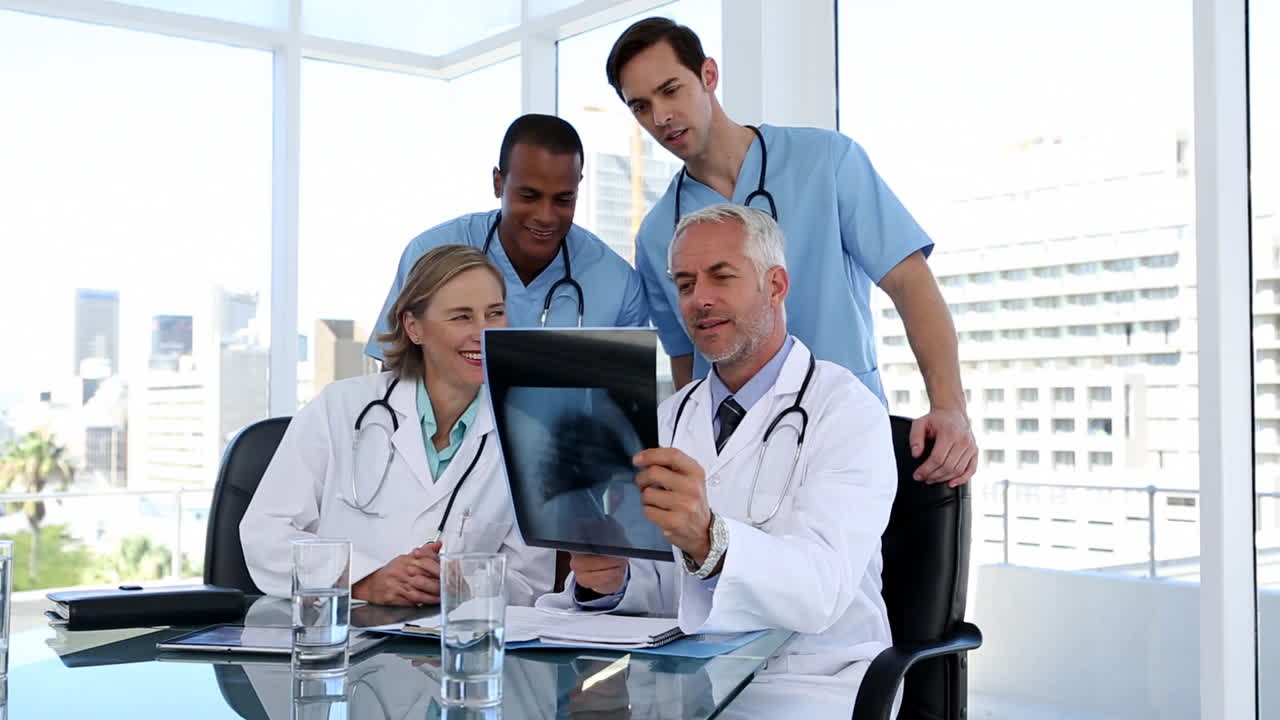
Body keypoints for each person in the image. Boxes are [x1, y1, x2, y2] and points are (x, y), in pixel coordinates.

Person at [540, 205, 899, 719]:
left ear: (775, 286)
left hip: (808, 684)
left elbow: (823, 588)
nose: (699, 299)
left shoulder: (846, 412)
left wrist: (711, 540)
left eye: (721, 276)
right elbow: (665, 586)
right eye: (685, 284)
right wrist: (612, 581)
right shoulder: (667, 418)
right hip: (681, 685)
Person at [606, 18, 975, 487]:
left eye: (671, 90)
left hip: (840, 434)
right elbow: (686, 360)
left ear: (708, 75)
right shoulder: (659, 232)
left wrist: (949, 406)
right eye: (641, 106)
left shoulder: (827, 161)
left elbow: (911, 283)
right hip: (732, 460)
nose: (660, 117)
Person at [243, 245, 554, 606]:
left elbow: (530, 581)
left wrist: (465, 586)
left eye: (494, 313)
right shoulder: (340, 407)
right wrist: (363, 580)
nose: (483, 332)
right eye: (461, 317)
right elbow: (265, 534)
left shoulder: (528, 437)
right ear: (414, 327)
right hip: (343, 628)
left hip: (451, 634)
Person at [365, 114, 648, 362]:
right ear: (498, 183)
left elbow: (629, 394)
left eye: (563, 199)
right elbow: (394, 374)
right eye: (529, 196)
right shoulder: (429, 253)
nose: (546, 216)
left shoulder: (618, 283)